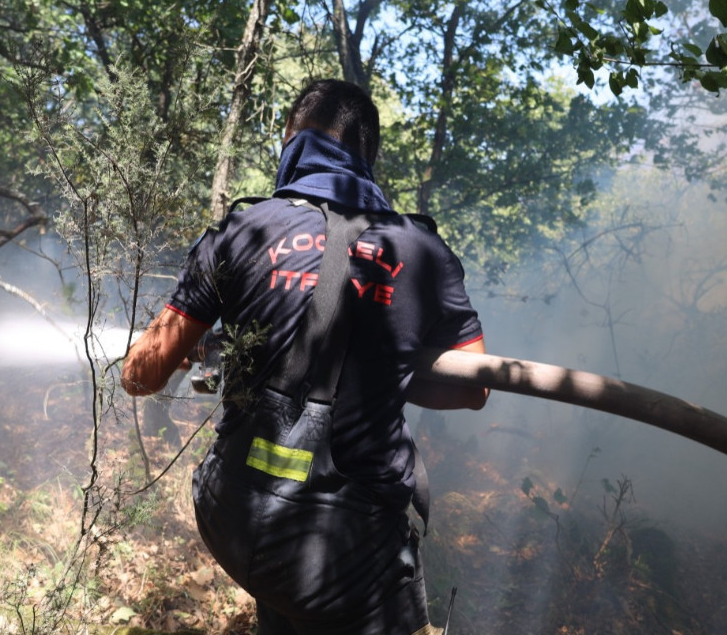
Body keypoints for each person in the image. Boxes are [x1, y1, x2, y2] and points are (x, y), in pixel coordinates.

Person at [122, 79, 487, 635]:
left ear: (294, 141)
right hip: (352, 555)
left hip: (240, 519)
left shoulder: (245, 229)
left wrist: (197, 344)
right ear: (367, 157)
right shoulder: (423, 252)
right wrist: (382, 368)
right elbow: (472, 387)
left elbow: (140, 375)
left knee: (287, 596)